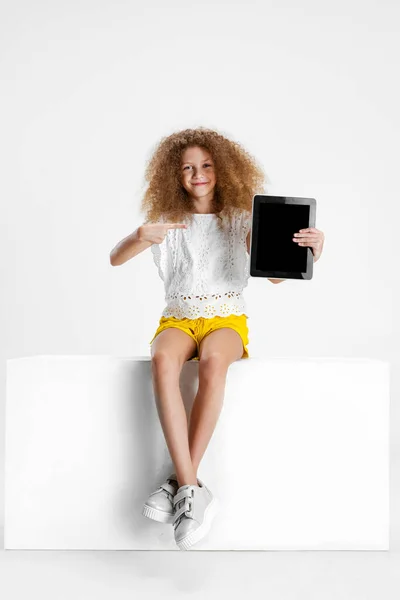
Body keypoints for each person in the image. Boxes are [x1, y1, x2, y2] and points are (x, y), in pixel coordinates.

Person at [109, 127, 325, 550]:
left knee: (213, 362)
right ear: (174, 174)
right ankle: (192, 487)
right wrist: (139, 236)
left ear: (223, 170)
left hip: (226, 317)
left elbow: (278, 275)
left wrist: (313, 249)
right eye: (188, 167)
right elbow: (115, 258)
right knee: (163, 361)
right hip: (177, 317)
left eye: (206, 165)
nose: (198, 174)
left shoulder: (242, 219)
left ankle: (177, 483)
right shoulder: (167, 221)